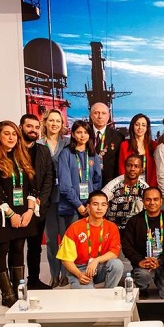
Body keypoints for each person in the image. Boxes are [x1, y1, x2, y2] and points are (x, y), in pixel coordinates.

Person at [0, 121, 38, 307]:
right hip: (2, 215)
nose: (11, 137)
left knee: (18, 250)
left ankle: (19, 290)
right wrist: (11, 215)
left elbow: (32, 187)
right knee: (1, 251)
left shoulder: (22, 158)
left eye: (14, 134)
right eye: (6, 134)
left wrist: (29, 211)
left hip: (23, 213)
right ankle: (7, 294)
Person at [57, 119, 104, 286]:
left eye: (85, 132)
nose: (82, 135)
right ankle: (69, 276)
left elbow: (97, 181)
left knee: (88, 242)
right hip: (71, 207)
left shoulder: (93, 155)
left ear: (89, 135)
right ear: (73, 134)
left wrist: (91, 204)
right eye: (78, 132)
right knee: (70, 244)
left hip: (89, 208)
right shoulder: (66, 154)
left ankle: (87, 274)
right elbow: (64, 185)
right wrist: (79, 205)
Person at [122, 187, 164, 299]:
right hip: (143, 264)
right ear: (143, 201)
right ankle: (142, 288)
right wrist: (139, 261)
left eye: (155, 199)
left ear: (161, 201)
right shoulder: (134, 221)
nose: (152, 203)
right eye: (148, 199)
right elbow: (126, 246)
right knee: (143, 275)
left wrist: (160, 260)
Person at [56, 191, 123, 289]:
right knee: (89, 295)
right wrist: (79, 275)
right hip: (80, 268)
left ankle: (109, 292)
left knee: (117, 264)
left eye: (103, 205)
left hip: (100, 265)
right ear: (88, 207)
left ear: (107, 207)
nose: (99, 208)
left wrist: (96, 260)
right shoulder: (75, 228)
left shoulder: (112, 227)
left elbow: (114, 253)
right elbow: (65, 259)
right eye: (95, 204)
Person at [19, 114, 54, 290]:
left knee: (35, 247)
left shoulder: (43, 151)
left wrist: (40, 201)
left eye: (36, 127)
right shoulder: (13, 150)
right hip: (18, 207)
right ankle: (15, 285)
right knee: (16, 248)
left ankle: (33, 280)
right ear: (21, 128)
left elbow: (49, 177)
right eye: (29, 126)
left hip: (39, 207)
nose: (33, 130)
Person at [37, 109, 71, 288]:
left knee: (66, 239)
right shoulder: (38, 144)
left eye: (58, 121)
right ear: (45, 122)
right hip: (47, 198)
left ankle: (66, 273)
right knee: (51, 240)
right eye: (51, 120)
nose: (54, 124)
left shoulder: (68, 143)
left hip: (65, 197)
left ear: (62, 124)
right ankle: (54, 274)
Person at [102, 155, 149, 233]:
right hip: (114, 229)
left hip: (135, 229)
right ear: (125, 166)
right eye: (129, 165)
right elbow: (100, 201)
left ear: (141, 169)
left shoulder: (145, 188)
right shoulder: (113, 185)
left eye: (136, 166)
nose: (132, 169)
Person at [90, 102, 125, 186]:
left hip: (109, 184)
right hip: (88, 181)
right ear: (91, 115)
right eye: (96, 113)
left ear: (108, 116)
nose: (100, 116)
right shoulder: (84, 134)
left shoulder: (118, 137)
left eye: (103, 113)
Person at [119, 113, 157, 187]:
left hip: (149, 185)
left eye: (143, 125)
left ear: (147, 128)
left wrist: (151, 188)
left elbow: (156, 170)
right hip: (129, 185)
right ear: (132, 126)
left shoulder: (154, 145)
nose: (140, 127)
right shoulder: (125, 145)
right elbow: (122, 169)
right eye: (137, 125)